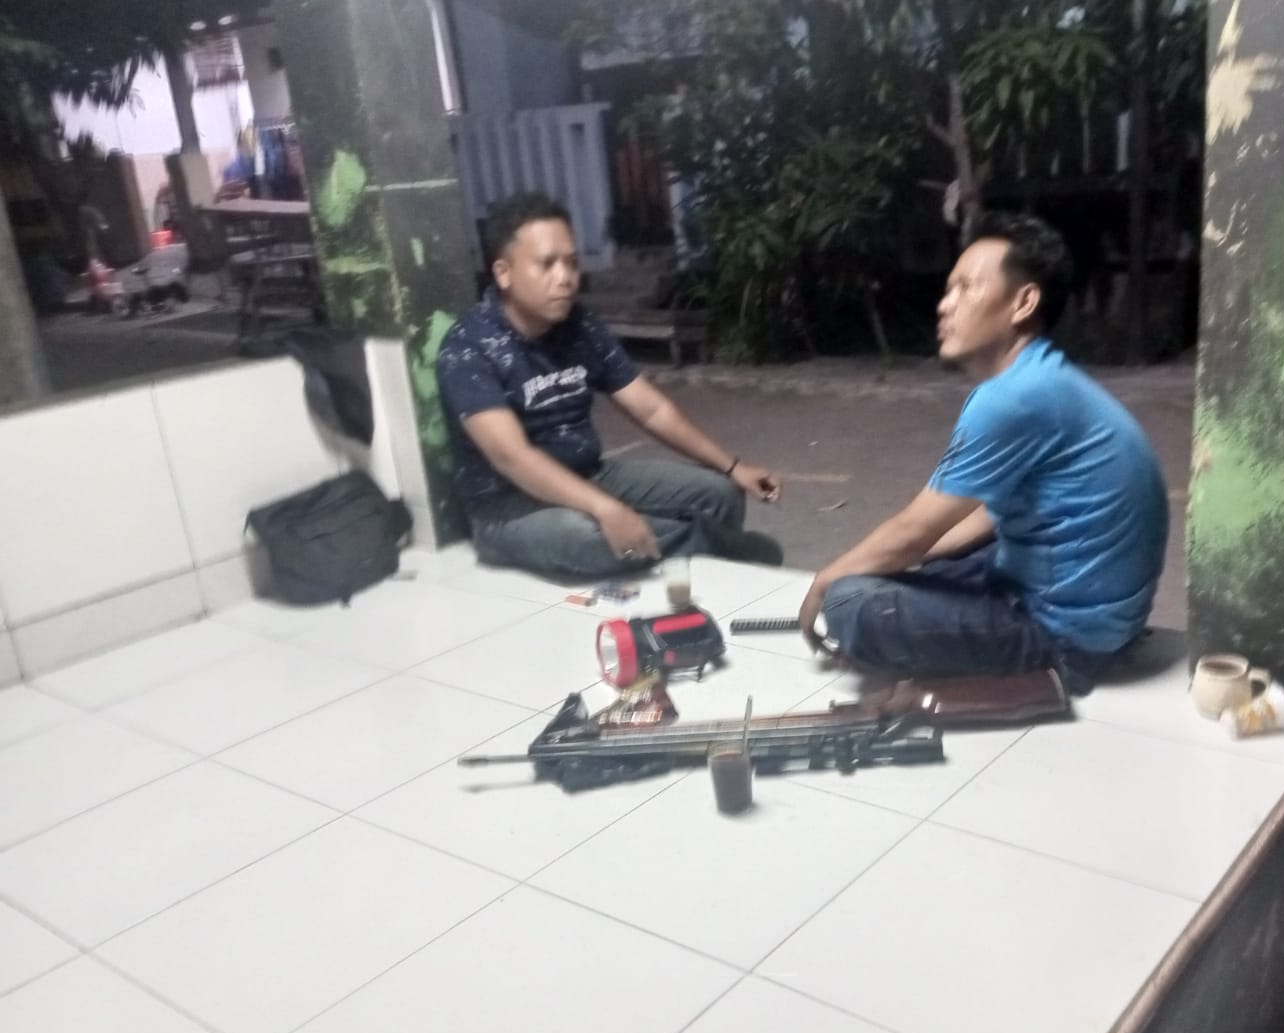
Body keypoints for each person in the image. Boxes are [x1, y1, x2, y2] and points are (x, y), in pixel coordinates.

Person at [799, 211, 1168, 690]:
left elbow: (913, 531)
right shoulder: (1045, 377)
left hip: (1069, 639)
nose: (944, 305)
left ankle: (1033, 667)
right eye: (947, 289)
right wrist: (904, 562)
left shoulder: (1012, 397)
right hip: (1106, 619)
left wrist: (825, 582)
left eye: (966, 288)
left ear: (1023, 302)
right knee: (919, 564)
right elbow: (979, 519)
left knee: (849, 600)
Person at [437, 191, 783, 578]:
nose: (565, 278)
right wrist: (605, 508)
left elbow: (651, 409)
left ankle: (707, 565)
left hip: (589, 474)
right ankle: (716, 549)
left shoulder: (580, 326)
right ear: (504, 273)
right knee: (589, 538)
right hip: (507, 507)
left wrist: (733, 466)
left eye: (571, 262)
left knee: (718, 494)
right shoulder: (469, 347)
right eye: (547, 264)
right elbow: (512, 458)